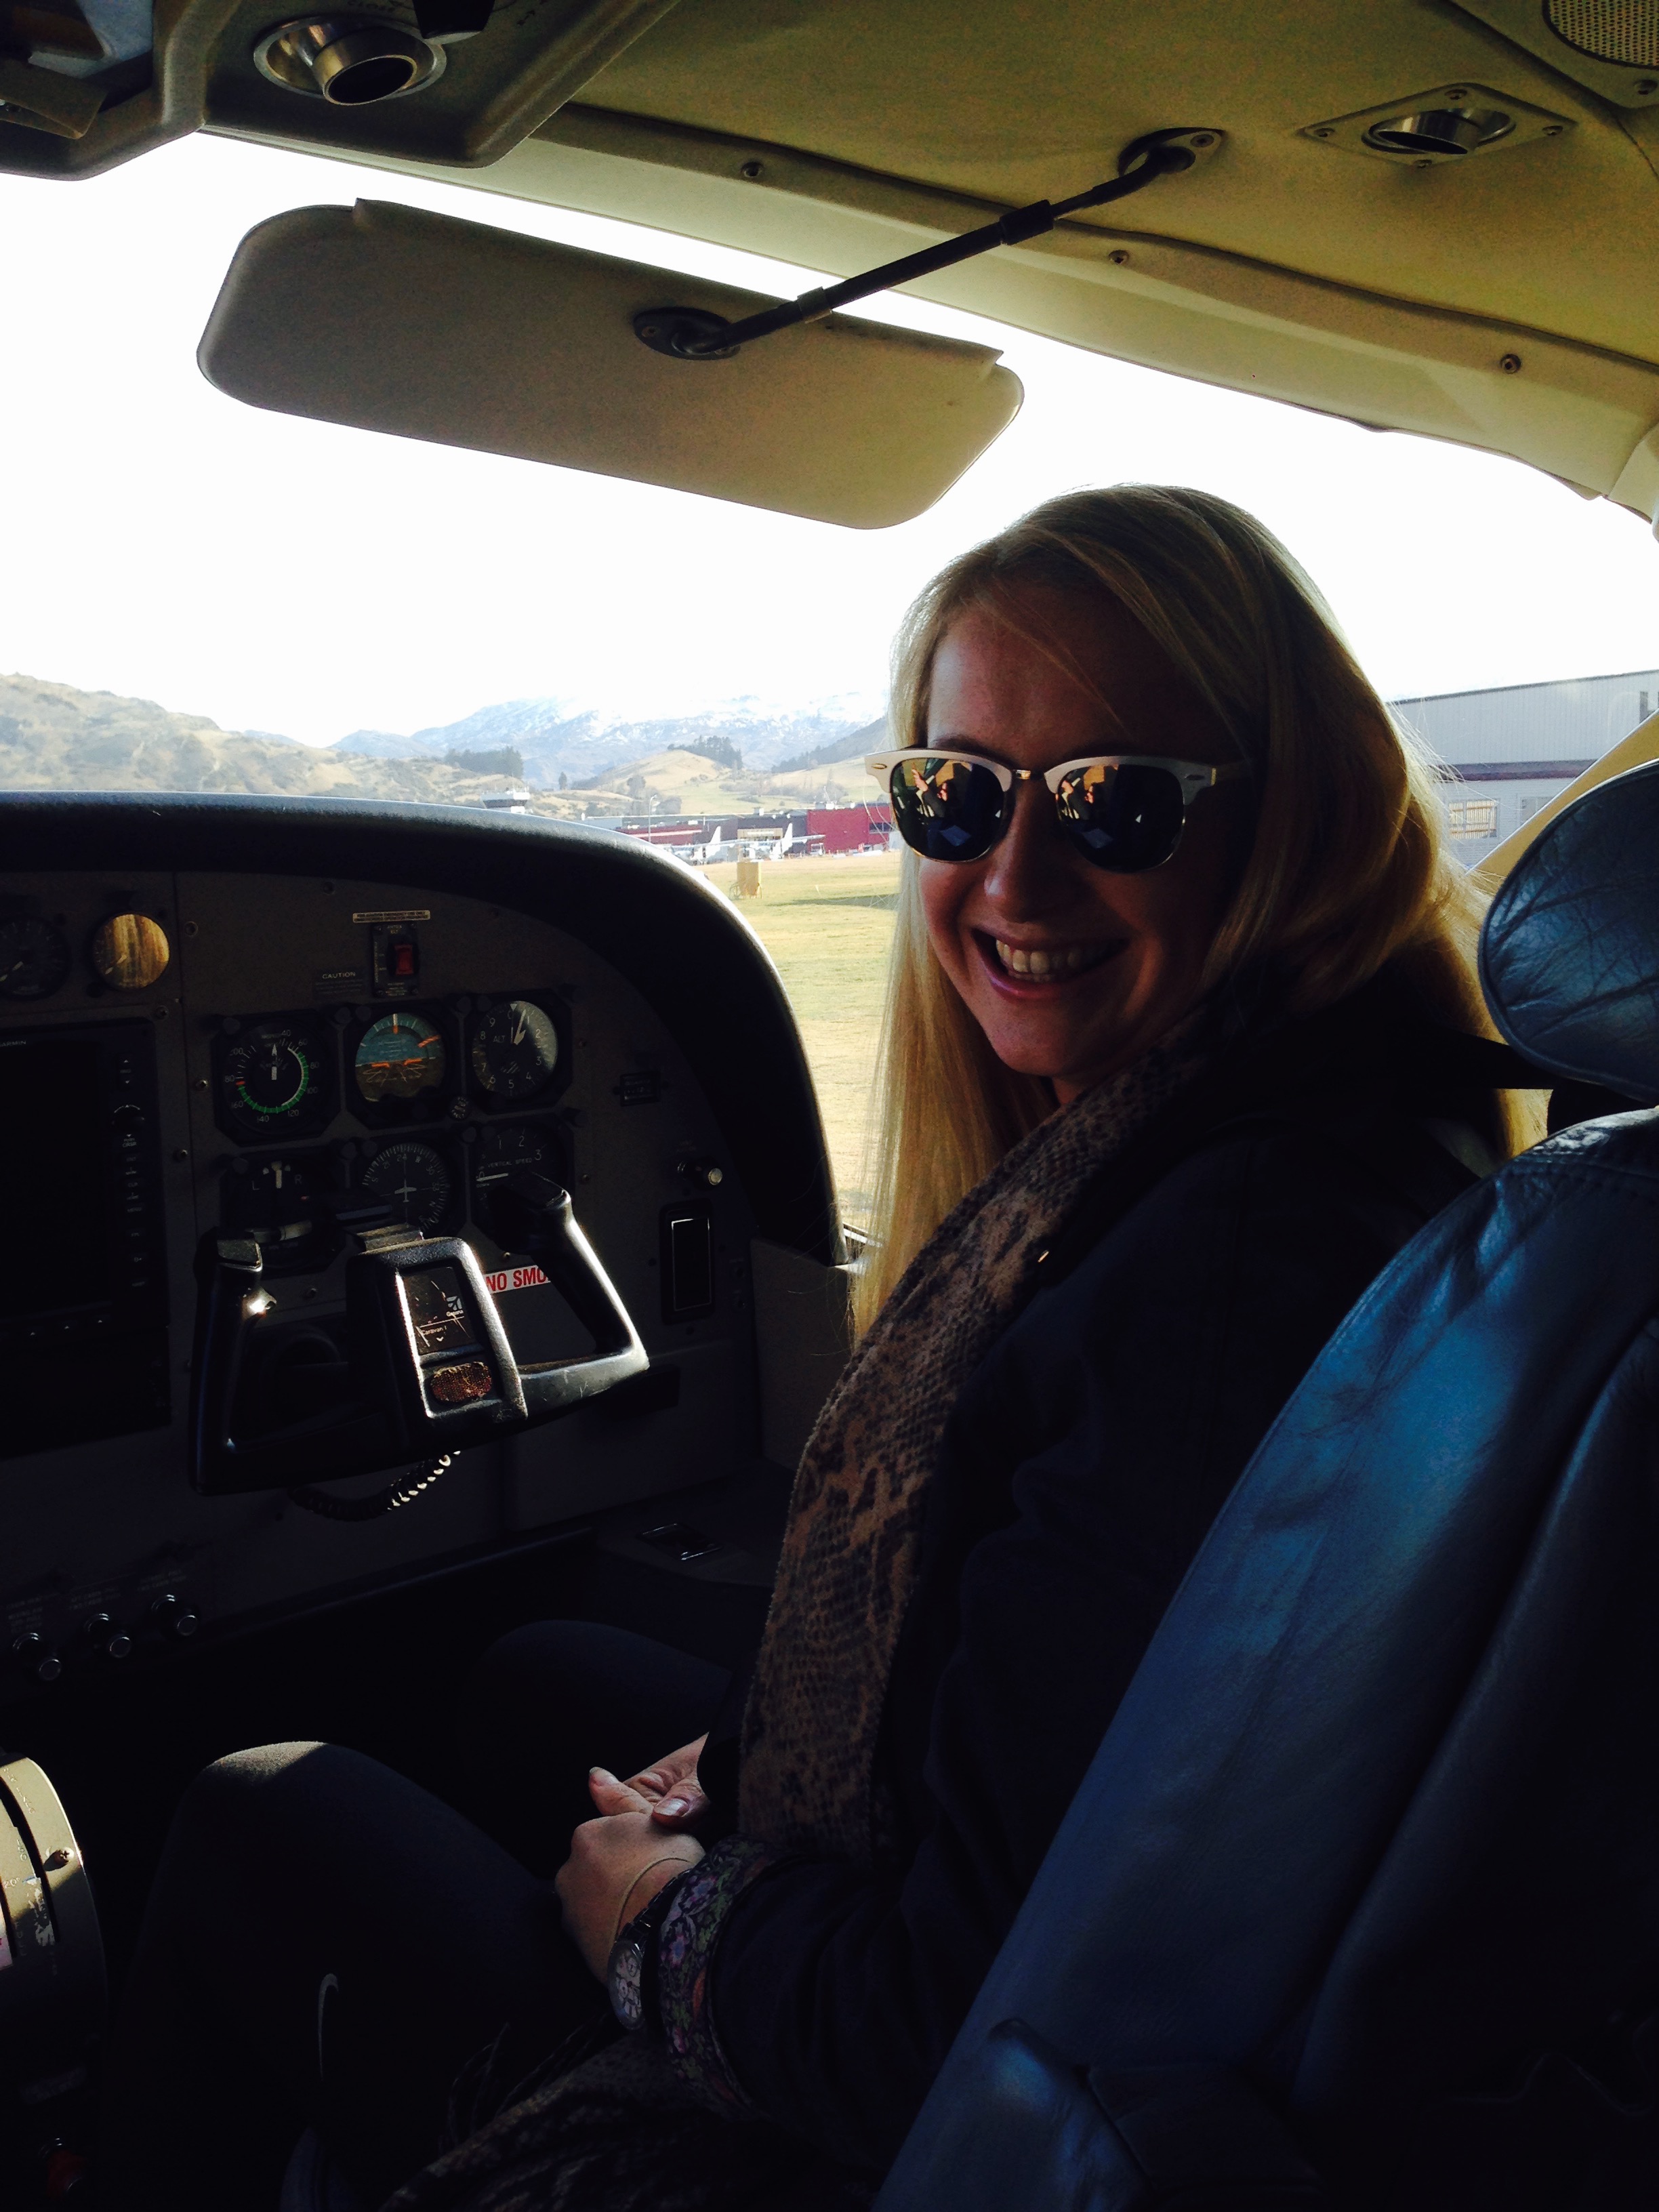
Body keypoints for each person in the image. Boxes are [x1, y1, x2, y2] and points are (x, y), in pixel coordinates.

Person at [97, 487, 1535, 2211]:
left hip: (909, 2128)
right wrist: (742, 1767)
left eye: (1114, 799)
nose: (1013, 876)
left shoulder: (1216, 1277)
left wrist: (659, 1920)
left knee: (259, 1809)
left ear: (1293, 818)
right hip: (1179, 1958)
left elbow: (937, 2028)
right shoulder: (1348, 1128)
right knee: (530, 1675)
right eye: (957, 794)